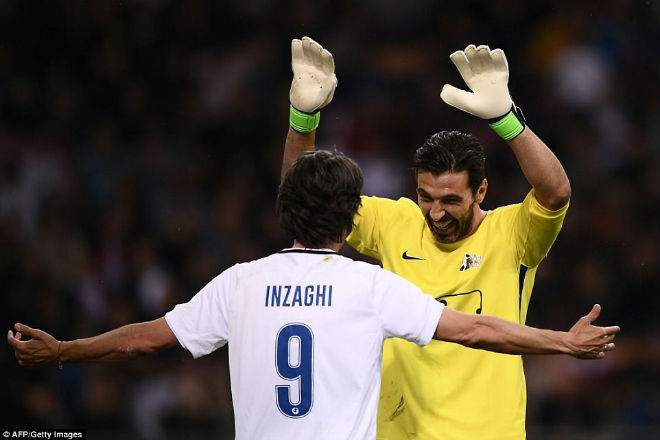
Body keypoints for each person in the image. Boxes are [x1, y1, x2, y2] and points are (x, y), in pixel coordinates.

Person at [9, 150, 618, 440]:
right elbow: (477, 330)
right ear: (351, 220)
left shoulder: (240, 282)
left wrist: (63, 350)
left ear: (284, 212)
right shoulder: (371, 287)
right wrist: (563, 342)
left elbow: (142, 341)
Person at [283, 38, 574, 439]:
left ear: (481, 191)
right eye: (426, 197)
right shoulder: (396, 222)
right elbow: (305, 203)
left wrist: (507, 121)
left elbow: (556, 192)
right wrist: (303, 119)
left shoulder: (513, 234)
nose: (436, 213)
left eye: (451, 201)